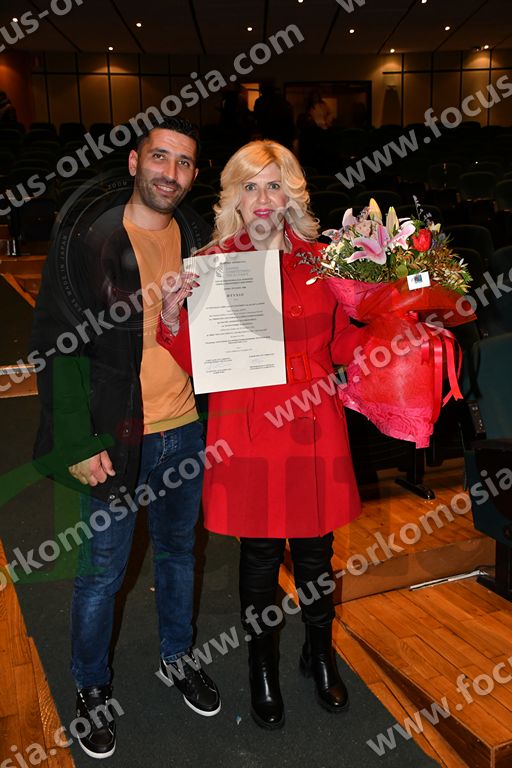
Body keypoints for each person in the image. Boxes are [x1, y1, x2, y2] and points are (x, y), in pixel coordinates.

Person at [31, 116, 221, 760]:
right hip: (114, 435)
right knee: (101, 574)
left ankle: (177, 656)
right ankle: (91, 688)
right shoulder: (90, 239)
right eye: (160, 157)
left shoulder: (196, 239)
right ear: (136, 161)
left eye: (184, 162)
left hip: (184, 429)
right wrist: (78, 440)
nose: (171, 172)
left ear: (194, 174)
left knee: (178, 554)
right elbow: (54, 345)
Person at [157, 140, 364, 729]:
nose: (263, 198)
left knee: (317, 552)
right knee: (260, 556)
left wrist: (388, 330)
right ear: (235, 199)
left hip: (314, 425)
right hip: (249, 427)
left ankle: (319, 653)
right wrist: (171, 316)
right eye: (250, 186)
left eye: (274, 184)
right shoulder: (213, 263)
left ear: (292, 194)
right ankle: (262, 665)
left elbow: (341, 341)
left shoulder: (325, 260)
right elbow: (198, 361)